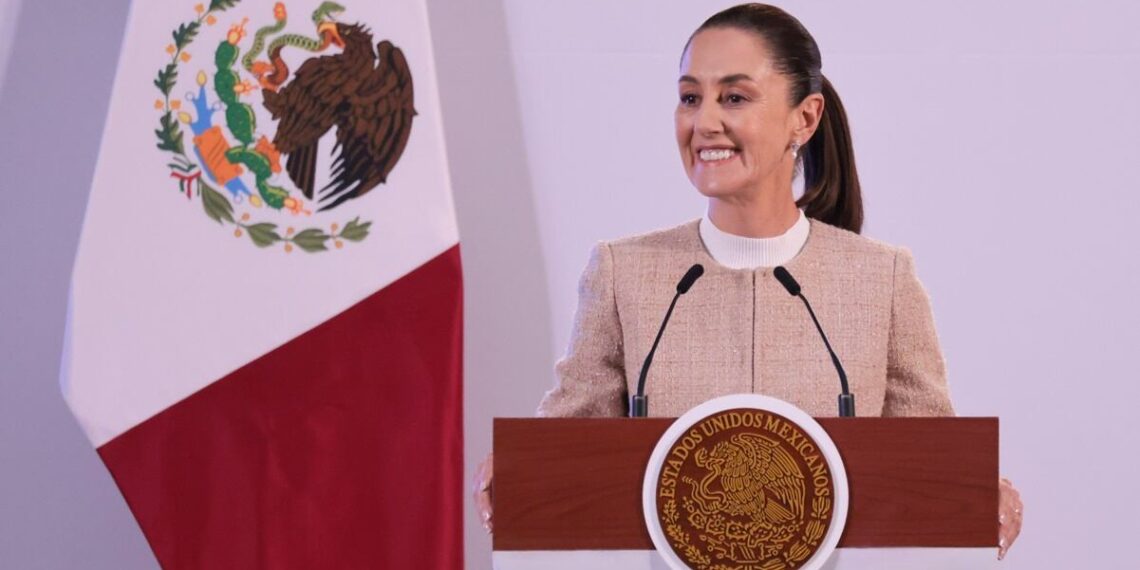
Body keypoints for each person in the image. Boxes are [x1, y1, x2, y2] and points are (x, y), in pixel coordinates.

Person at [474, 2, 1023, 559]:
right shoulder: (625, 273)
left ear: (804, 119)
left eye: (734, 97)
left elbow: (927, 459)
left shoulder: (880, 279)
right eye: (691, 97)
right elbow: (567, 445)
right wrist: (520, 468)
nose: (704, 121)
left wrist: (973, 489)